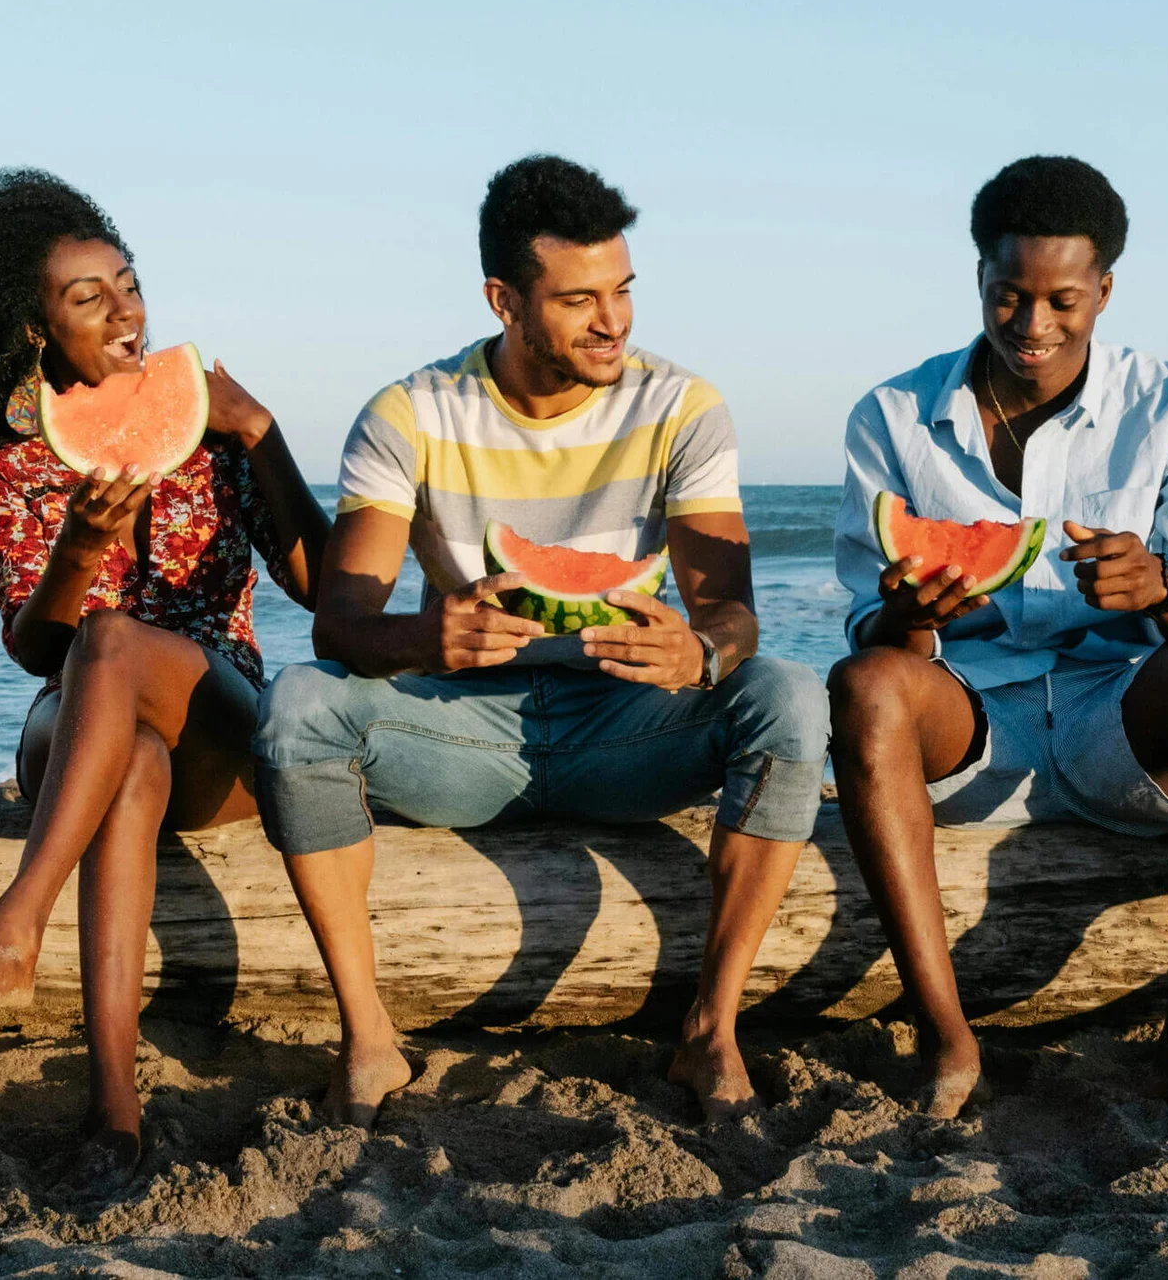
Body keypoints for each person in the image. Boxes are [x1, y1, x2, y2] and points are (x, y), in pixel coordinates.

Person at [254, 154, 829, 1126]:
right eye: (577, 300)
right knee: (298, 704)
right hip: (458, 735)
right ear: (504, 300)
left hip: (630, 729)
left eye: (622, 291)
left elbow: (729, 608)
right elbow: (340, 624)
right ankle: (369, 1038)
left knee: (788, 694)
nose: (612, 322)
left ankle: (710, 1028)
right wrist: (426, 636)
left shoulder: (678, 406)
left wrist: (703, 655)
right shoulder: (411, 413)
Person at [0, 169, 330, 1179]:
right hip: (80, 733)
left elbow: (322, 587)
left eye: (126, 283)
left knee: (117, 641)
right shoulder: (10, 462)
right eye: (87, 296)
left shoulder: (211, 422)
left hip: (218, 722)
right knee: (119, 742)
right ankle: (114, 1112)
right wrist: (79, 554)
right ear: (36, 329)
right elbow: (33, 646)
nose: (124, 310)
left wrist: (261, 436)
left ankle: (14, 922)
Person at [829, 155, 1168, 1140]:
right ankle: (947, 1037)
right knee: (861, 682)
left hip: (1114, 719)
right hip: (966, 723)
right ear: (978, 277)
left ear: (1103, 288)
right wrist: (908, 610)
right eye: (1007, 295)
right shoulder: (890, 416)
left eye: (1061, 300)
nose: (1031, 325)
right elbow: (871, 630)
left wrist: (1162, 586)